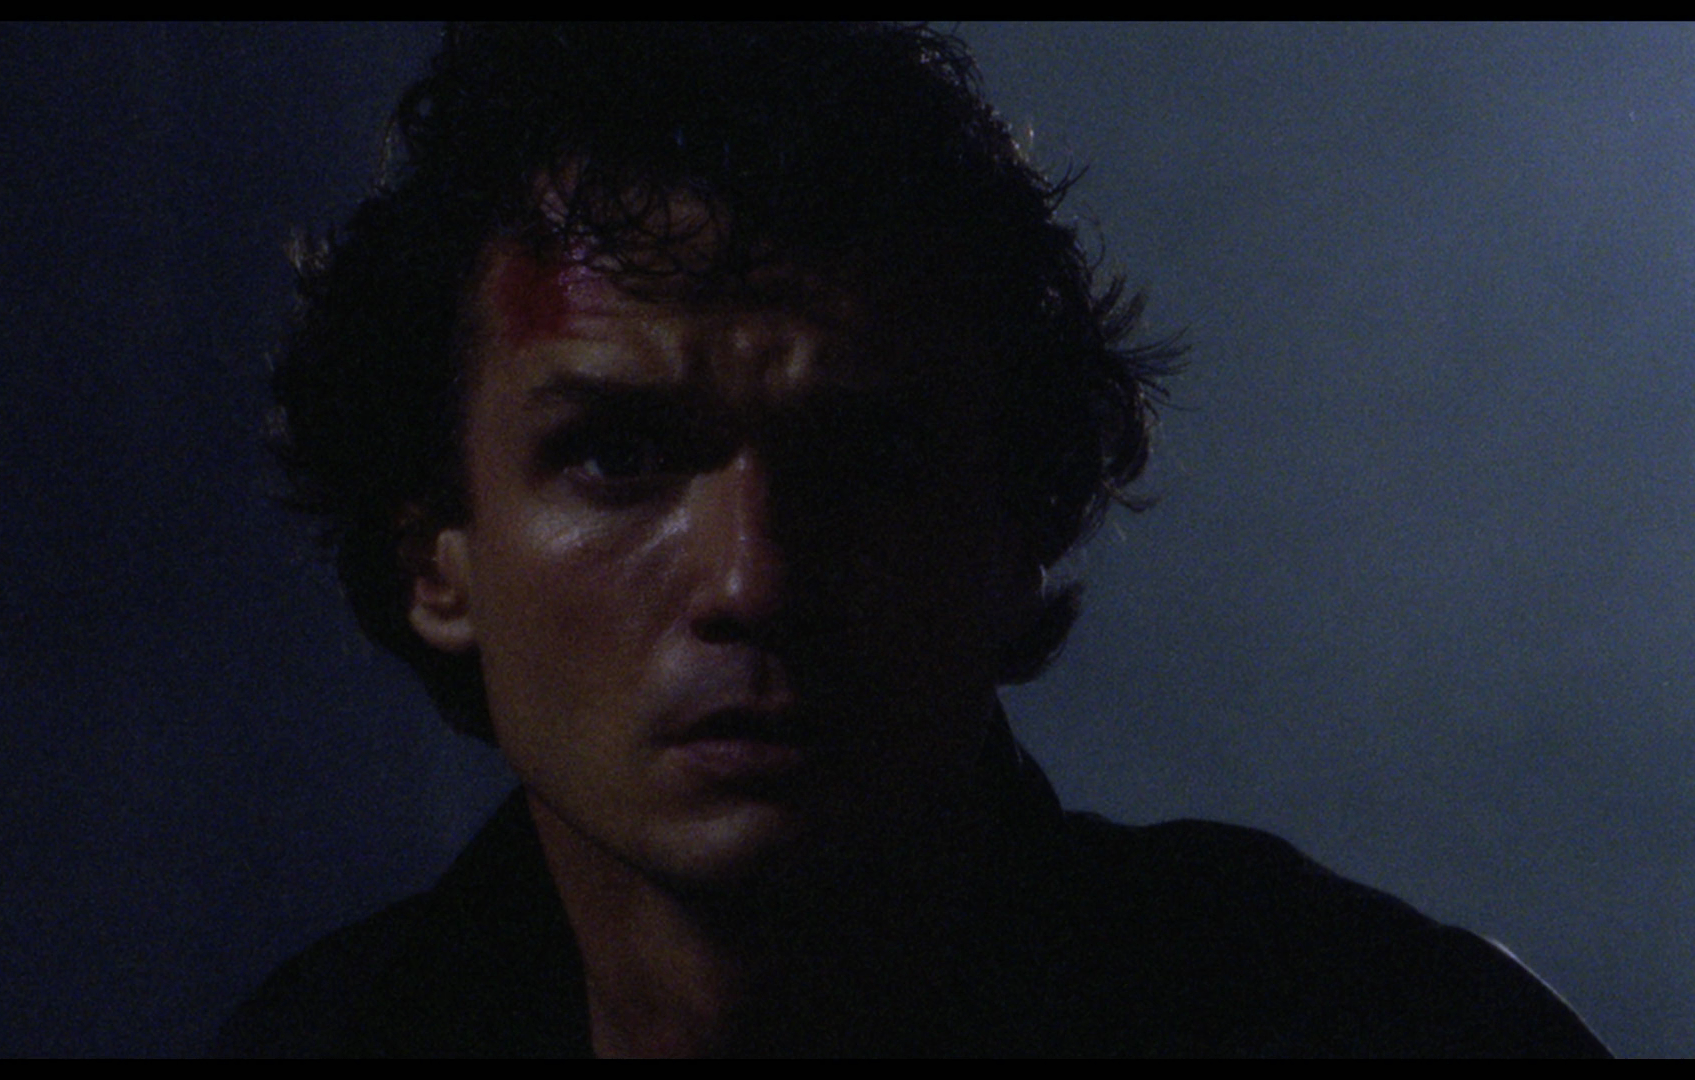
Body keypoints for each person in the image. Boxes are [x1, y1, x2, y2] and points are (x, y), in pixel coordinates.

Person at [223, 24, 1609, 1057]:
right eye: (619, 458)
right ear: (435, 554)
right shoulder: (331, 1041)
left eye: (864, 461)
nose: (752, 579)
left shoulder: (1378, 1030)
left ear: (1021, 531)